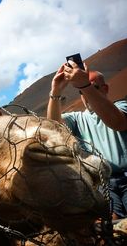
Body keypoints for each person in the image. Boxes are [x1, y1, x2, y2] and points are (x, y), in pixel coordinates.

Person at [47, 60, 127, 220]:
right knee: (109, 223)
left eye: (94, 87)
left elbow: (117, 122)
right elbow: (54, 127)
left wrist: (84, 86)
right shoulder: (77, 118)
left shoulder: (122, 106)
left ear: (105, 89)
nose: (86, 94)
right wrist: (55, 91)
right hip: (101, 181)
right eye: (81, 91)